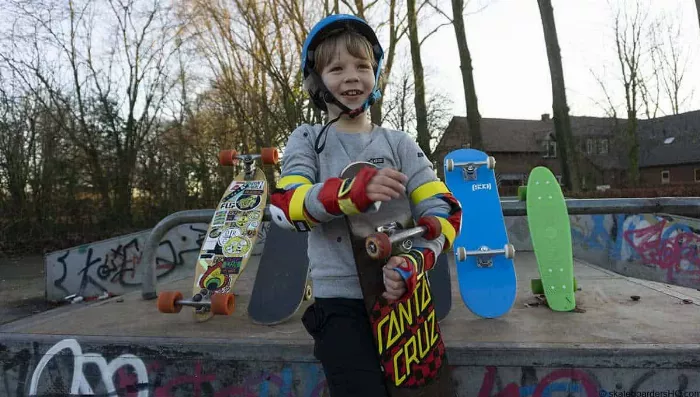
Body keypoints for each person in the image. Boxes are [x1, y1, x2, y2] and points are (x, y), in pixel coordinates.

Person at [269, 14, 462, 397]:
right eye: (337, 68)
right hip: (338, 303)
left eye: (362, 66)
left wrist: (415, 261)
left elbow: (444, 210)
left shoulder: (399, 144)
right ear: (316, 80)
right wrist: (350, 192)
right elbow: (285, 207)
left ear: (375, 75)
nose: (352, 76)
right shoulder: (307, 139)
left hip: (402, 295)